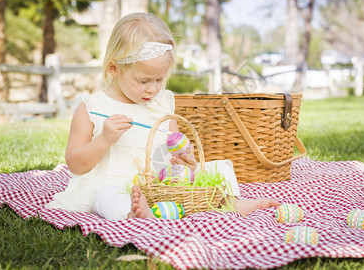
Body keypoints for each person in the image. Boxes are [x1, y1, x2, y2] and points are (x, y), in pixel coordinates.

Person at [46, 13, 280, 220]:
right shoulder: (92, 107)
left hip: (162, 184)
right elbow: (75, 165)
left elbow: (172, 151)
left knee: (215, 169)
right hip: (114, 182)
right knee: (108, 196)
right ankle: (133, 211)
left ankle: (229, 202)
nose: (152, 89)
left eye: (159, 79)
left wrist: (186, 160)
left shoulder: (162, 104)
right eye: (143, 81)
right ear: (114, 68)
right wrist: (104, 140)